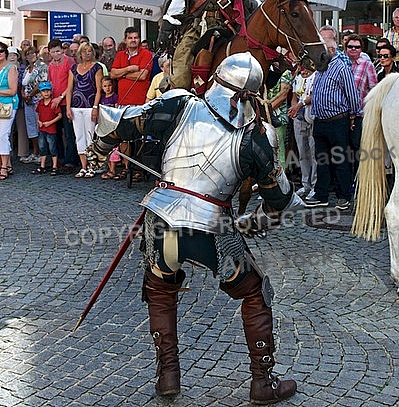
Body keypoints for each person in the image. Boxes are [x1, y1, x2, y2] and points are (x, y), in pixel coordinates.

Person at [86, 52, 299, 404]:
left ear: (216, 78)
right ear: (254, 94)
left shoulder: (180, 103)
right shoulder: (258, 136)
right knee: (254, 292)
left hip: (162, 218)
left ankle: (167, 375)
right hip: (212, 226)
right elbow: (278, 199)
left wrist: (99, 147)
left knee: (159, 288)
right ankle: (263, 383)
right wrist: (260, 216)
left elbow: (115, 121)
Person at [305, 38, 360, 210]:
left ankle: (343, 196)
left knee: (340, 160)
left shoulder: (341, 68)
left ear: (330, 50)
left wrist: (352, 116)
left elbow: (352, 95)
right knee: (322, 160)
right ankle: (321, 195)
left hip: (337, 121)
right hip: (320, 121)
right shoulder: (321, 68)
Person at [111, 27, 153, 180]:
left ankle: (139, 169)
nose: (133, 40)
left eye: (136, 37)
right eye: (130, 38)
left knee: (140, 137)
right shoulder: (120, 55)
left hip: (140, 103)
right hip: (123, 102)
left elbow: (142, 76)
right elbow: (112, 74)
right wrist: (129, 69)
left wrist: (122, 73)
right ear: (125, 40)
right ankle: (127, 167)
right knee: (124, 137)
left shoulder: (146, 54)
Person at [66, 42, 103, 179]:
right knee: (79, 136)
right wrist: (68, 107)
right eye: (84, 51)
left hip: (89, 105)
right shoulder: (74, 68)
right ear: (79, 54)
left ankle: (92, 166)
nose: (87, 54)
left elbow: (99, 90)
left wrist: (95, 107)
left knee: (90, 136)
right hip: (76, 105)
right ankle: (83, 166)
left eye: (89, 51)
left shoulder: (96, 68)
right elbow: (70, 89)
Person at [344, 33, 377, 183]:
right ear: (345, 48)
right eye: (350, 46)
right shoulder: (340, 64)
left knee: (357, 149)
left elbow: (373, 89)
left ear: (361, 49)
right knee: (342, 151)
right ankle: (344, 183)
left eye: (357, 47)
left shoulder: (366, 64)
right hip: (341, 115)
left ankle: (357, 181)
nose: (353, 49)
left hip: (358, 115)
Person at [47, 39, 79, 172]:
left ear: (62, 50)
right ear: (49, 53)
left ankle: (70, 161)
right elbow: (50, 82)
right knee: (56, 132)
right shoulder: (50, 65)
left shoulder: (69, 61)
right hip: (54, 103)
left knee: (69, 133)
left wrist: (61, 97)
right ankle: (59, 159)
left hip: (66, 101)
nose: (56, 54)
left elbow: (71, 84)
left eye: (58, 51)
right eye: (53, 52)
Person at [288, 67, 316, 200]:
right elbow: (294, 96)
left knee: (314, 152)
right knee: (302, 152)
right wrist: (294, 109)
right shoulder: (297, 78)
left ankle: (315, 185)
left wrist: (299, 105)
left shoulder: (316, 76)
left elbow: (313, 95)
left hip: (312, 115)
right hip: (299, 117)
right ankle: (306, 184)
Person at [21, 47, 48, 164]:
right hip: (27, 102)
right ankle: (35, 152)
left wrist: (30, 95)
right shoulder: (27, 69)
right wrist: (24, 95)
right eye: (27, 54)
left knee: (39, 127)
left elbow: (42, 83)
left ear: (37, 54)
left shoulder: (42, 66)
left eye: (32, 53)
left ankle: (42, 153)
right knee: (31, 128)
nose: (30, 56)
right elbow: (23, 84)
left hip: (38, 100)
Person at [33, 81, 62, 176]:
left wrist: (50, 122)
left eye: (48, 91)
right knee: (42, 147)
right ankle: (42, 166)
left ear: (51, 91)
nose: (46, 93)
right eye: (44, 91)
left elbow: (59, 115)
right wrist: (39, 121)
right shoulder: (40, 103)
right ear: (40, 93)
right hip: (42, 129)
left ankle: (54, 166)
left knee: (52, 148)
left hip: (51, 129)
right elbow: (37, 113)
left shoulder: (53, 103)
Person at [267, 68, 292, 170]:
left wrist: (267, 109)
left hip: (279, 117)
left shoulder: (285, 72)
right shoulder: (266, 71)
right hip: (267, 117)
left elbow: (283, 96)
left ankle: (282, 180)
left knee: (279, 149)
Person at [0, 43, 18, 180]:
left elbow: (12, 91)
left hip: (8, 106)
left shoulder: (11, 68)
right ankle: (9, 164)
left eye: (1, 51)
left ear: (5, 53)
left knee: (3, 134)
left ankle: (4, 166)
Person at [99, 76, 120, 180]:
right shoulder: (101, 98)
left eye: (109, 85)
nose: (107, 88)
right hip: (104, 126)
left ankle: (113, 170)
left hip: (113, 125)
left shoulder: (115, 97)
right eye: (105, 86)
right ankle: (107, 168)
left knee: (114, 148)